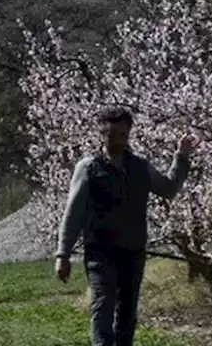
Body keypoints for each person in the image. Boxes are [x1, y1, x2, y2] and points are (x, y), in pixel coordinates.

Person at [54, 105, 197, 346]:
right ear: (101, 134)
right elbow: (73, 212)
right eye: (112, 135)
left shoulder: (140, 167)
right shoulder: (89, 168)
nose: (118, 141)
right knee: (103, 306)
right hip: (100, 252)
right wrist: (63, 254)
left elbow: (168, 188)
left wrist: (181, 157)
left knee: (127, 314)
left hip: (133, 251)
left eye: (123, 135)